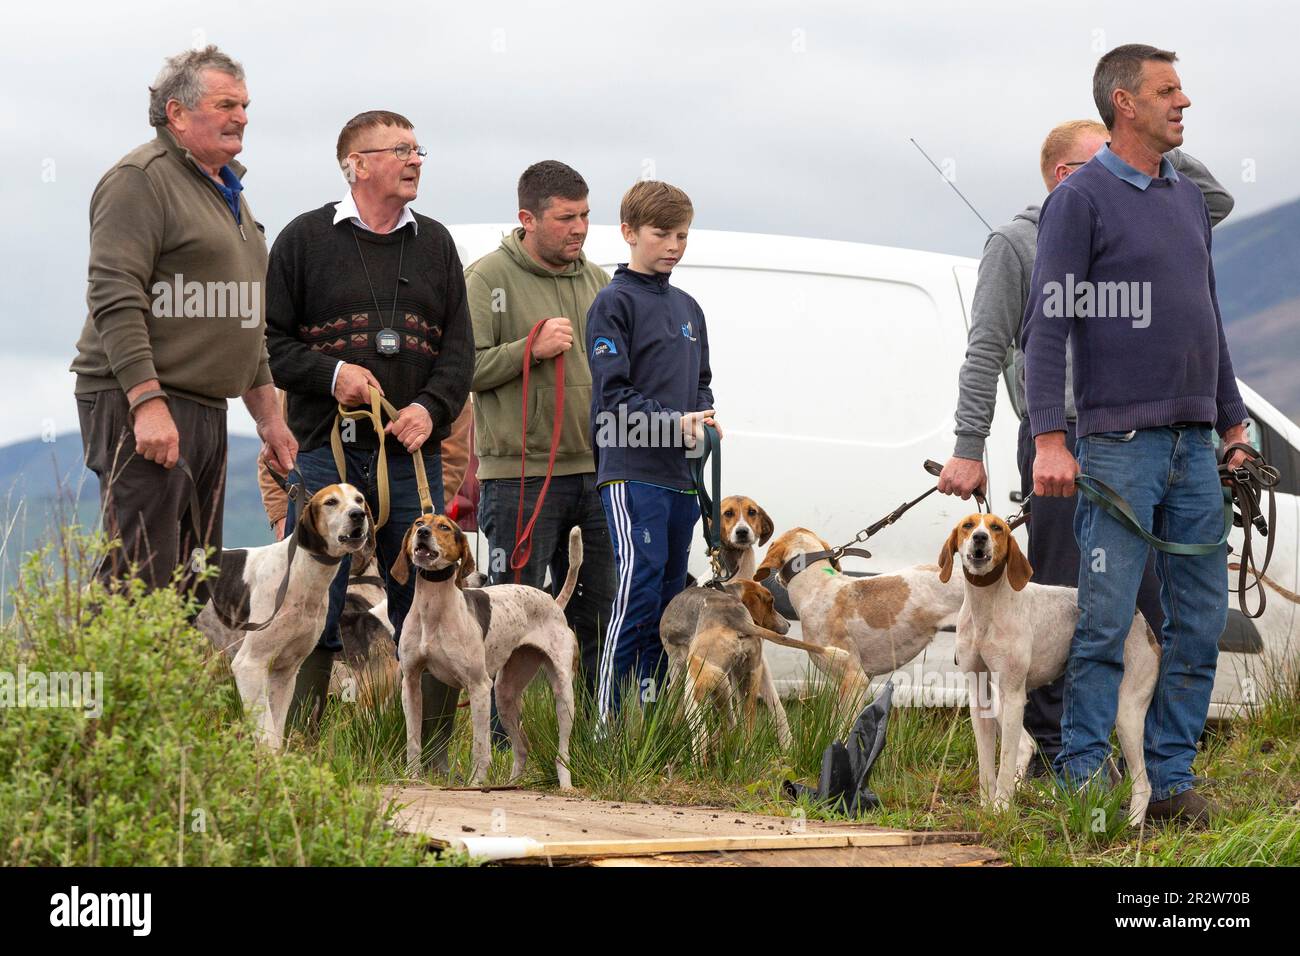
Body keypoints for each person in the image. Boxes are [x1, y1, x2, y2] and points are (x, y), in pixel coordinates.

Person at [937, 119, 1234, 774]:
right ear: (1069, 178)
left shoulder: (1145, 222)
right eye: (1109, 157)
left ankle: (1149, 769)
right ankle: (1057, 760)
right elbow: (985, 348)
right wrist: (966, 444)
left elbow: (1215, 202)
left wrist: (1153, 137)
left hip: (1147, 436)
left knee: (1141, 607)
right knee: (1058, 605)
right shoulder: (1016, 243)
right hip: (1063, 440)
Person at [1023, 44, 1251, 825]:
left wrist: (1234, 425)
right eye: (1168, 91)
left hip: (1196, 448)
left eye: (1181, 89)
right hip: (1118, 446)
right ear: (1126, 103)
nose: (1182, 103)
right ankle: (1084, 785)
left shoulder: (1185, 196)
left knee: (1196, 625)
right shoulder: (1079, 200)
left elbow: (1209, 320)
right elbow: (1046, 326)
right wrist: (1049, 438)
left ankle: (1170, 782)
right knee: (1105, 623)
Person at [263, 110, 473, 754]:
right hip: (324, 454)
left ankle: (430, 761)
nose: (415, 160)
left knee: (428, 599)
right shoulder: (302, 240)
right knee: (310, 603)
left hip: (410, 456)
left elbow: (459, 352)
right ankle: (302, 756)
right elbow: (272, 347)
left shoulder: (436, 243)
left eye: (418, 150)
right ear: (356, 165)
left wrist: (430, 410)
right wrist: (333, 376)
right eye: (400, 150)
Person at [71, 45, 295, 598]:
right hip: (142, 398)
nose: (241, 116)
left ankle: (175, 687)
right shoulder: (139, 180)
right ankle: (118, 686)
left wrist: (270, 419)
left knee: (195, 573)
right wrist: (147, 403)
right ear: (176, 112)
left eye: (245, 105)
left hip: (205, 405)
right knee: (140, 570)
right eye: (226, 104)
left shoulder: (228, 191)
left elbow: (246, 317)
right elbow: (114, 293)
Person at [466, 161, 617, 691]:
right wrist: (527, 350)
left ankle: (593, 736)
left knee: (600, 611)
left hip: (598, 477)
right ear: (527, 219)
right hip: (518, 479)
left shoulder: (602, 282)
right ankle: (506, 743)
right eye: (565, 218)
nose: (579, 228)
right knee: (511, 617)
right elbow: (463, 368)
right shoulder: (487, 278)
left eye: (585, 216)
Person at [586, 180, 720, 720]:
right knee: (635, 597)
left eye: (682, 235)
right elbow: (612, 396)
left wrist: (704, 418)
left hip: (680, 478)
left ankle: (650, 728)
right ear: (628, 233)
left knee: (670, 606)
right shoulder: (612, 302)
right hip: (631, 470)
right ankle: (603, 730)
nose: (673, 245)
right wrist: (673, 422)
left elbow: (702, 382)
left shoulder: (690, 307)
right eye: (662, 234)